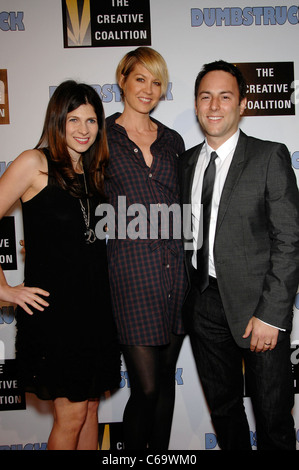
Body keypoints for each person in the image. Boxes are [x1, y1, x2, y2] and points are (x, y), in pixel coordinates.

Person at [178, 60, 299, 450]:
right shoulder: (185, 163)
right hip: (204, 306)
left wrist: (271, 315)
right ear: (196, 105)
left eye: (225, 96)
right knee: (225, 413)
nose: (214, 106)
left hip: (258, 310)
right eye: (205, 97)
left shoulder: (269, 157)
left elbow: (289, 240)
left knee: (273, 417)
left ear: (242, 104)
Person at [0, 80, 120, 450]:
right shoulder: (33, 162)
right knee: (70, 417)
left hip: (96, 312)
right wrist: (3, 288)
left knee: (89, 412)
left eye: (91, 120)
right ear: (57, 121)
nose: (83, 130)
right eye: (73, 120)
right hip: (55, 316)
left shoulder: (94, 170)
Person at [105, 47, 187, 450]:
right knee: (148, 389)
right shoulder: (100, 137)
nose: (148, 89)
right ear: (122, 79)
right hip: (131, 277)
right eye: (140, 78)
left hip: (176, 276)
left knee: (166, 385)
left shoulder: (173, 139)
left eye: (157, 82)